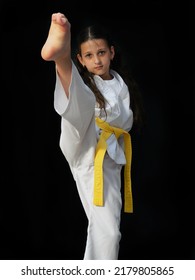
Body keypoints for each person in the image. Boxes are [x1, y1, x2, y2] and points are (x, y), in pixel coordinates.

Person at [41, 12, 144, 260]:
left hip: (107, 158)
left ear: (111, 52)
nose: (96, 60)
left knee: (107, 232)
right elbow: (82, 107)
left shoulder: (121, 84)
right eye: (88, 55)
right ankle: (61, 59)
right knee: (82, 99)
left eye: (101, 53)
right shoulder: (89, 85)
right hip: (84, 141)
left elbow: (125, 123)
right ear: (82, 59)